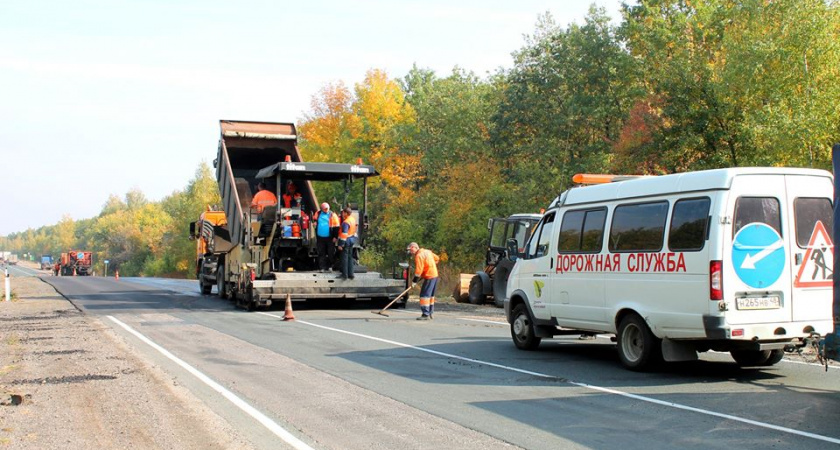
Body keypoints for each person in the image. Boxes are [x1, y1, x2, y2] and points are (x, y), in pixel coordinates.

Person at [407, 242, 440, 320]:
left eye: (411, 249)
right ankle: (430, 313)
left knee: (424, 295)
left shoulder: (419, 256)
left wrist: (414, 281)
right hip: (435, 275)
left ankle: (425, 314)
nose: (410, 252)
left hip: (429, 276)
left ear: (414, 247)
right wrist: (430, 266)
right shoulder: (427, 251)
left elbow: (418, 271)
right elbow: (437, 259)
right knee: (431, 296)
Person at [313, 202, 340, 272]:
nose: (326, 210)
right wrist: (315, 222)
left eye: (327, 208)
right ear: (321, 208)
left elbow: (336, 227)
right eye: (325, 208)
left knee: (330, 253)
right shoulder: (318, 213)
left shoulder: (332, 215)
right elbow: (314, 218)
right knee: (321, 253)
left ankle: (330, 266)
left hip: (330, 237)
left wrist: (335, 237)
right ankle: (322, 268)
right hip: (320, 237)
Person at [337, 207, 357, 280]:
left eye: (343, 212)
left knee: (344, 258)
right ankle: (351, 274)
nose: (342, 214)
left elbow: (344, 234)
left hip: (346, 241)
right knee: (350, 257)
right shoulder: (353, 220)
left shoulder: (346, 222)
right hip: (352, 239)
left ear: (345, 213)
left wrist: (341, 244)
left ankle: (344, 275)